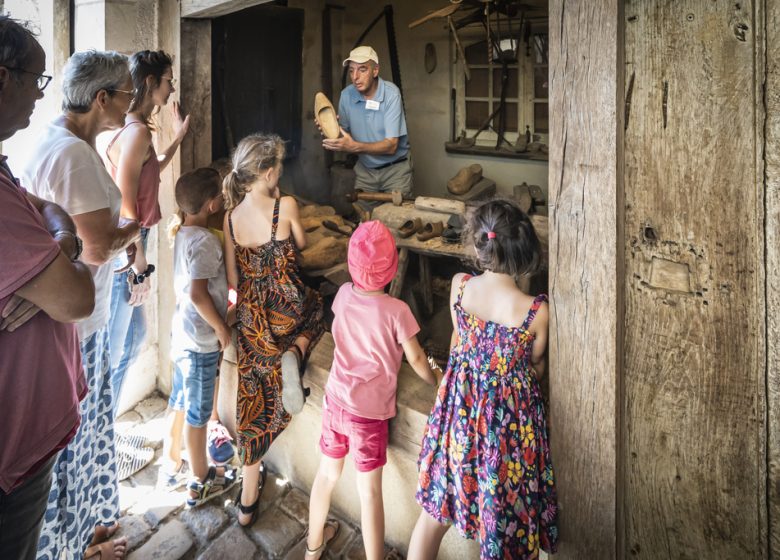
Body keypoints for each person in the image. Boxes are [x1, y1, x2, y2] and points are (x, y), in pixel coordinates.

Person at [22, 49, 141, 560]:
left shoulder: (56, 138)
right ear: (102, 98)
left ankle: (82, 533)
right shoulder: (73, 155)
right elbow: (95, 246)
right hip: (77, 323)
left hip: (67, 317)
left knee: (79, 435)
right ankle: (73, 549)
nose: (132, 105)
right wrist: (135, 230)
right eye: (128, 96)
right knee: (75, 439)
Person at [407, 199, 558, 560]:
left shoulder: (460, 287)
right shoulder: (537, 312)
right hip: (505, 437)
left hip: (458, 421)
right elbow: (535, 368)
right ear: (523, 251)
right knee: (504, 527)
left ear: (478, 245)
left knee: (432, 514)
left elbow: (459, 343)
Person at [0, 16, 96, 560]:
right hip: (11, 459)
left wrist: (59, 238)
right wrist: (70, 248)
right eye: (35, 80)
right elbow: (76, 298)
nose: (41, 95)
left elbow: (45, 208)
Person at [306, 220, 440, 560]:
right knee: (370, 495)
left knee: (325, 476)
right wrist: (437, 380)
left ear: (351, 265)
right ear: (393, 269)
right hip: (368, 417)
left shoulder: (343, 295)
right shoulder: (398, 312)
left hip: (335, 400)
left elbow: (338, 333)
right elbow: (418, 359)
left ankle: (312, 547)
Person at [223, 133, 324, 526]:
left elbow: (234, 279)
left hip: (253, 319)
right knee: (317, 308)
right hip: (288, 311)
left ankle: (247, 501)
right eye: (279, 166)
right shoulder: (287, 205)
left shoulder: (230, 218)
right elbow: (301, 247)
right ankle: (296, 352)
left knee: (253, 396)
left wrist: (243, 313)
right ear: (268, 172)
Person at [103, 49, 190, 411]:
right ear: (152, 82)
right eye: (168, 80)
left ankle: (105, 425)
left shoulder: (137, 131)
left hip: (133, 241)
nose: (172, 88)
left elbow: (151, 167)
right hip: (128, 247)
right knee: (116, 348)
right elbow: (127, 206)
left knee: (135, 339)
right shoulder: (136, 132)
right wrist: (141, 267)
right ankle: (102, 430)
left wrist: (179, 136)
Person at [158, 167, 238, 504]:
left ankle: (171, 463)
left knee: (179, 401)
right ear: (211, 205)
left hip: (183, 336)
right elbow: (197, 294)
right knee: (199, 415)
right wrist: (222, 327)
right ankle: (200, 479)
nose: (223, 197)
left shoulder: (184, 232)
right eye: (220, 194)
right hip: (201, 342)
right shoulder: (206, 242)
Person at [319, 45, 412, 219]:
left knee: (396, 225)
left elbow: (391, 146)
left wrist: (353, 147)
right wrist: (330, 129)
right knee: (366, 225)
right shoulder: (347, 95)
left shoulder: (391, 95)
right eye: (351, 70)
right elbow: (344, 135)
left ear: (375, 70)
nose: (355, 77)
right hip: (365, 171)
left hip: (395, 171)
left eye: (362, 69)